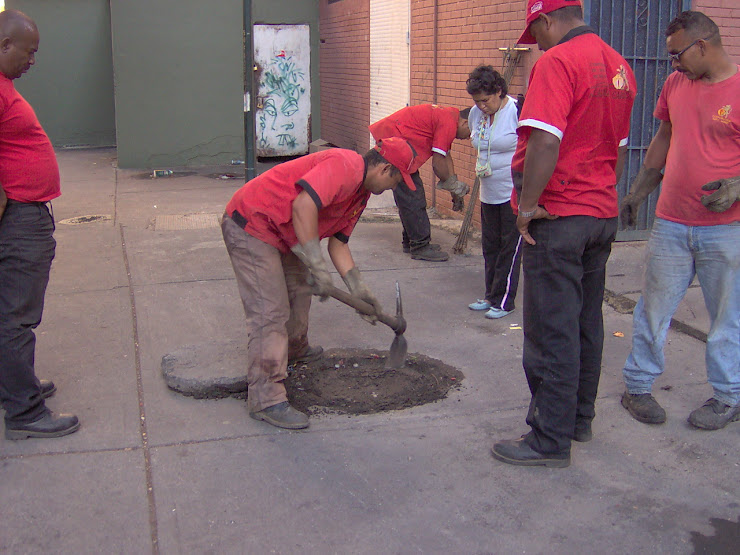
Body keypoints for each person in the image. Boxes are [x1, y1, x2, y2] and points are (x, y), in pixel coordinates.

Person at [491, 0, 636, 468]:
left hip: (560, 217)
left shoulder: (559, 62)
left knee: (551, 331)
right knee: (583, 322)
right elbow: (615, 148)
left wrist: (527, 209)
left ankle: (549, 440)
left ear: (548, 20)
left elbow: (546, 140)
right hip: (599, 215)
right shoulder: (619, 66)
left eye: (538, 35)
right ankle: (577, 419)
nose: (539, 46)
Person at [221, 137, 416, 430]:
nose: (393, 189)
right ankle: (265, 398)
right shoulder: (346, 165)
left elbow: (339, 245)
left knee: (299, 292)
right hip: (253, 223)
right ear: (385, 169)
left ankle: (295, 349)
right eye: (396, 182)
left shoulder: (360, 195)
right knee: (269, 311)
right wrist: (316, 265)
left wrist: (358, 289)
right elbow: (303, 206)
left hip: (285, 234)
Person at [619, 11, 739, 431]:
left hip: (727, 229)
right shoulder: (676, 84)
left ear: (703, 45)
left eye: (677, 54)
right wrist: (637, 192)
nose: (672, 64)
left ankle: (727, 395)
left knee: (726, 317)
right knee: (653, 309)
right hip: (671, 221)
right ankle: (638, 386)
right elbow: (664, 138)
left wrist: (737, 186)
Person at [0, 10, 79, 440]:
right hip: (18, 217)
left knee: (9, 313)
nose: (32, 60)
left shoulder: (4, 86)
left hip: (22, 213)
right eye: (28, 51)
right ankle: (24, 413)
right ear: (4, 45)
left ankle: (15, 387)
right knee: (16, 317)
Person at [369, 104, 471, 261]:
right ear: (465, 123)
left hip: (398, 142)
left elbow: (445, 157)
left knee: (408, 196)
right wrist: (453, 186)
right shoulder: (449, 122)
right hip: (396, 145)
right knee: (413, 197)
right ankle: (420, 246)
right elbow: (438, 164)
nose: (469, 137)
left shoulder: (449, 116)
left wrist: (454, 189)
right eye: (471, 132)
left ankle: (411, 241)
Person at [465, 66, 522, 320]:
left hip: (512, 191)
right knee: (490, 246)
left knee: (509, 248)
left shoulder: (516, 111)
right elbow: (477, 142)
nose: (482, 106)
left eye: (486, 100)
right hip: (488, 190)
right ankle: (490, 295)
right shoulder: (476, 115)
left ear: (499, 91)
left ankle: (505, 301)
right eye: (477, 102)